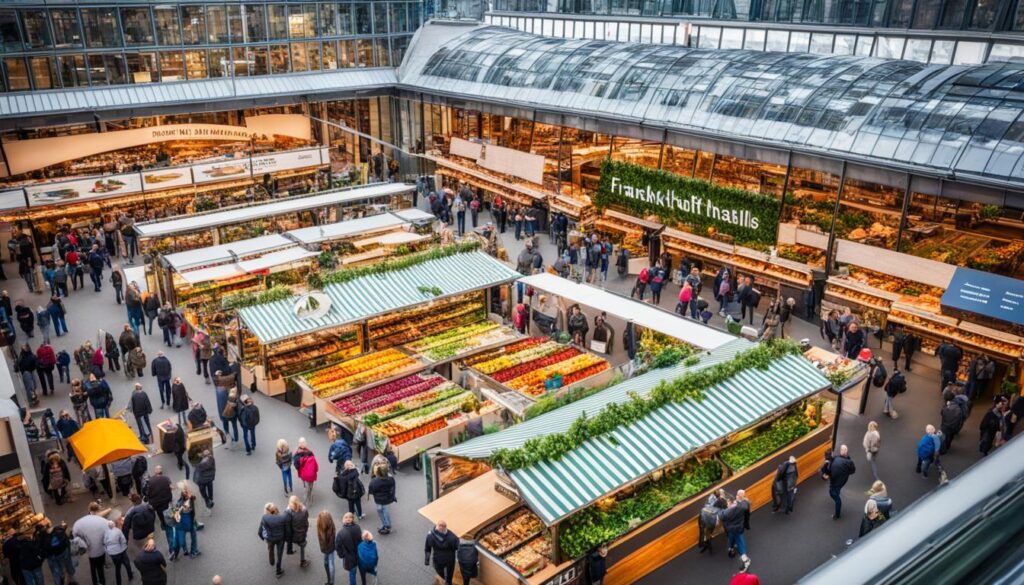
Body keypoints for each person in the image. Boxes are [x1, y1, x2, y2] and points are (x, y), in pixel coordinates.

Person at [73, 501, 110, 585]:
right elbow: (109, 535)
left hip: (90, 552)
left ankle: (95, 582)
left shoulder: (80, 522)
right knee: (100, 569)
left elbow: (75, 533)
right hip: (101, 550)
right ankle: (102, 582)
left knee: (93, 568)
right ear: (98, 509)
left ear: (89, 509)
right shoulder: (104, 521)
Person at [721, 491, 751, 572]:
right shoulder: (744, 505)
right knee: (733, 538)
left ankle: (745, 559)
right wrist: (742, 500)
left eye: (727, 502)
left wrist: (727, 508)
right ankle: (731, 548)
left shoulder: (729, 510)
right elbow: (746, 503)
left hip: (732, 528)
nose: (727, 504)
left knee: (740, 543)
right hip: (739, 527)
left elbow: (722, 516)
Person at [824, 444, 855, 519]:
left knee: (833, 494)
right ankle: (837, 495)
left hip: (835, 482)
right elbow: (852, 471)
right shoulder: (849, 462)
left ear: (841, 451)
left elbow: (828, 470)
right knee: (836, 490)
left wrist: (826, 471)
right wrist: (845, 473)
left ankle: (837, 514)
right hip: (843, 481)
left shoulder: (835, 458)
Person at [40, 518, 75, 585]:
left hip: (52, 556)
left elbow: (41, 546)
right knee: (68, 566)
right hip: (63, 552)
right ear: (50, 524)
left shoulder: (42, 535)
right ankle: (72, 580)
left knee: (56, 572)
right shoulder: (59, 529)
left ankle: (60, 581)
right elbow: (65, 538)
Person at [259, 503, 288, 578]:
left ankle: (271, 561)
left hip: (270, 538)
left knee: (270, 549)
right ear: (276, 510)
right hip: (280, 538)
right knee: (279, 553)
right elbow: (286, 529)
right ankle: (278, 570)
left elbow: (260, 530)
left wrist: (263, 538)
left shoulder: (264, 518)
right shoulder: (282, 518)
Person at [424, 520, 459, 585]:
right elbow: (458, 547)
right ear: (445, 528)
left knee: (440, 574)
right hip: (449, 560)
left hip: (438, 559)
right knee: (449, 574)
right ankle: (448, 582)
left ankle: (442, 582)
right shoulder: (452, 537)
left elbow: (427, 548)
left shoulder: (431, 535)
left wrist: (427, 560)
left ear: (436, 527)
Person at [335, 512, 362, 585]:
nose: (347, 518)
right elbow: (361, 540)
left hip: (349, 558)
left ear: (343, 520)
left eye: (348, 517)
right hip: (359, 554)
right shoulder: (357, 527)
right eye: (346, 517)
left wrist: (342, 555)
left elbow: (337, 546)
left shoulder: (341, 533)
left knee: (352, 575)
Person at [367, 466, 396, 534]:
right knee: (385, 511)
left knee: (380, 512)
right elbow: (392, 489)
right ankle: (387, 525)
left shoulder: (374, 481)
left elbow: (371, 491)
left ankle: (385, 525)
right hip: (386, 499)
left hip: (378, 499)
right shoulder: (391, 479)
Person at [146, 466, 174, 535]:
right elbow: (171, 487)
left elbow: (148, 492)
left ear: (155, 472)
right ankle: (169, 523)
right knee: (166, 510)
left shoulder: (150, 480)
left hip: (156, 502)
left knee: (160, 513)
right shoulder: (166, 478)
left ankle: (164, 524)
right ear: (162, 472)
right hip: (165, 500)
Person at [103, 520, 133, 585]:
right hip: (121, 551)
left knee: (117, 568)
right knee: (127, 564)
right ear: (114, 525)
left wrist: (108, 550)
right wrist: (124, 547)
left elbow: (104, 542)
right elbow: (123, 540)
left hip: (113, 553)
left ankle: (118, 582)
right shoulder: (118, 531)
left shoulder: (106, 532)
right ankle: (130, 576)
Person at [285, 495, 310, 568]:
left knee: (295, 542)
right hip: (301, 535)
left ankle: (291, 549)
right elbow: (306, 523)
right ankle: (302, 561)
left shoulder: (288, 512)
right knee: (302, 546)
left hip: (292, 535)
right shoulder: (304, 511)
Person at [294, 437, 318, 505]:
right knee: (310, 486)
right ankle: (310, 496)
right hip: (312, 474)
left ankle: (306, 501)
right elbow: (316, 465)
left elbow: (296, 466)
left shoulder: (297, 454)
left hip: (303, 474)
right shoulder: (310, 452)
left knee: (306, 487)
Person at [317, 510, 337, 585]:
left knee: (329, 564)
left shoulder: (319, 527)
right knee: (330, 563)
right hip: (330, 548)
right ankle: (331, 581)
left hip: (326, 549)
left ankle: (331, 581)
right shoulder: (332, 526)